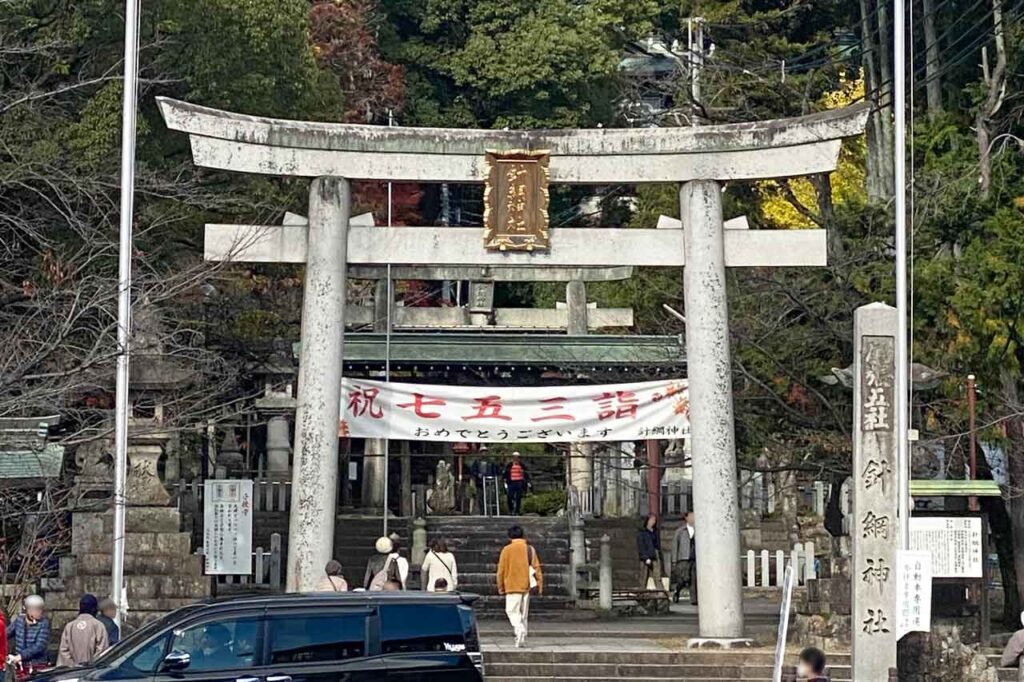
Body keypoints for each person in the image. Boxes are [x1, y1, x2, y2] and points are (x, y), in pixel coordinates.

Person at [497, 525, 543, 648]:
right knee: (523, 614)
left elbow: (501, 570)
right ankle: (521, 637)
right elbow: (537, 568)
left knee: (512, 611)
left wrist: (500, 586)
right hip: (527, 585)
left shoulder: (506, 550)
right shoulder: (530, 549)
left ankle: (519, 629)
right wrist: (539, 585)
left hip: (511, 584)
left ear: (510, 536)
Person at [57, 594, 108, 667]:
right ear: (94, 609)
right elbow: (102, 651)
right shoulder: (99, 626)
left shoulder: (69, 626)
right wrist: (90, 665)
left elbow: (64, 651)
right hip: (92, 670)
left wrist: (73, 666)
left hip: (72, 671)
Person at [6, 594, 51, 672]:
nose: (39, 612)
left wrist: (20, 656)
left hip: (37, 664)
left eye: (40, 609)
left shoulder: (44, 623)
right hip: (20, 664)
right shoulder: (19, 620)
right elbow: (6, 633)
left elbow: (39, 646)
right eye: (35, 610)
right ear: (27, 610)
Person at [672, 511, 697, 604]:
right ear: (686, 518)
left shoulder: (698, 530)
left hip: (694, 557)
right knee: (684, 578)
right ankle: (677, 590)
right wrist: (674, 560)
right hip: (683, 558)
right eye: (691, 516)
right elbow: (675, 545)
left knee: (693, 579)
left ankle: (694, 599)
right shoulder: (680, 531)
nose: (693, 518)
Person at [637, 514, 664, 591]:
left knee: (657, 576)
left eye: (654, 520)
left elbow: (658, 545)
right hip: (645, 556)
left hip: (655, 555)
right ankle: (641, 594)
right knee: (643, 578)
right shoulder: (642, 533)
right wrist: (645, 558)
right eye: (651, 520)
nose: (653, 522)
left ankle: (661, 593)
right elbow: (641, 546)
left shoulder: (655, 532)